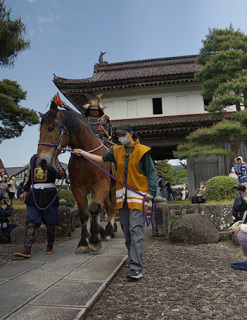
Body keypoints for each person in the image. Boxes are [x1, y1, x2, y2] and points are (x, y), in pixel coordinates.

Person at [73, 123, 157, 281]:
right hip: (122, 199)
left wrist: (151, 192)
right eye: (118, 135)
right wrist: (83, 152)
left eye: (123, 135)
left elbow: (151, 173)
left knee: (136, 231)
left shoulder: (142, 151)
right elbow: (100, 158)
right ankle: (133, 259)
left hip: (139, 198)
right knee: (126, 232)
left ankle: (136, 268)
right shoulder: (117, 151)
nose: (120, 138)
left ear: (131, 134)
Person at [15, 154, 65, 258]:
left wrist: (61, 172)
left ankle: (50, 246)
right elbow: (28, 175)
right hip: (34, 193)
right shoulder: (33, 158)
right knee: (31, 222)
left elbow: (60, 175)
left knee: (51, 223)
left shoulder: (54, 158)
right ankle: (27, 249)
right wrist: (25, 190)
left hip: (49, 193)